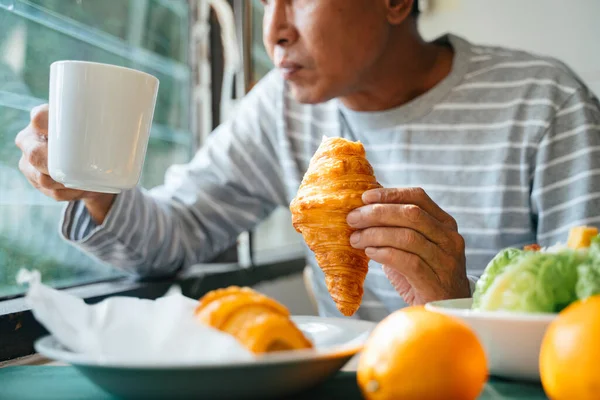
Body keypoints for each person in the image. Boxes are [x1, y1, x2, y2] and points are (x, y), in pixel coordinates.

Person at [15, 0, 600, 321]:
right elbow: (177, 234)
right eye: (265, 0)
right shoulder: (281, 106)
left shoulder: (545, 103)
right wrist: (94, 187)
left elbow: (586, 322)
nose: (274, 31)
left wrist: (458, 302)